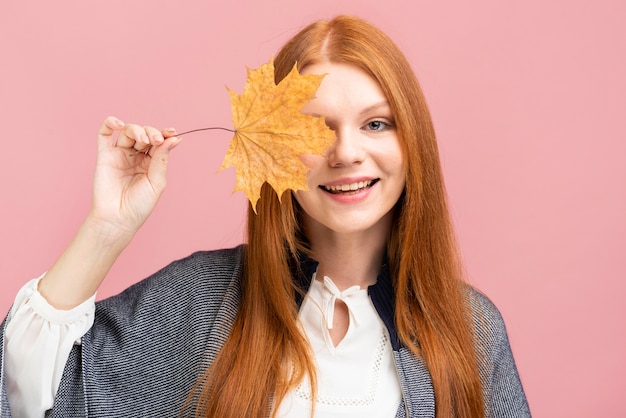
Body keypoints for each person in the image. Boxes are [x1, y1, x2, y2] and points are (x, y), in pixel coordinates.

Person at [0, 15, 531, 418]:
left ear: (412, 141)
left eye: (376, 124)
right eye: (316, 128)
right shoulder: (200, 300)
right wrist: (105, 229)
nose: (346, 153)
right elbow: (33, 397)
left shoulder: (473, 330)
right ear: (274, 148)